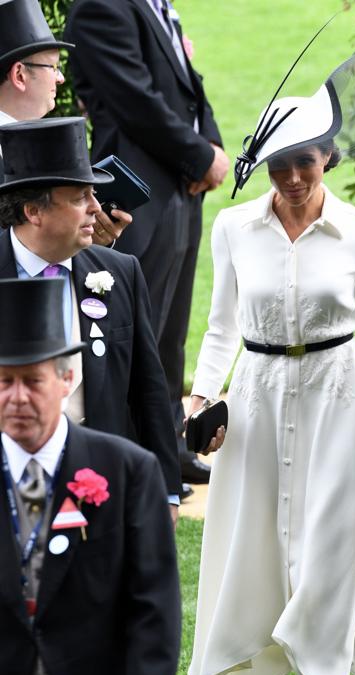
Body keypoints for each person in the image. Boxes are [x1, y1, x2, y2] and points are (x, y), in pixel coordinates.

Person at [187, 57, 355, 675]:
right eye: (279, 165)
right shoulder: (234, 228)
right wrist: (200, 397)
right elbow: (218, 328)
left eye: (305, 162)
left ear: (328, 159)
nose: (292, 178)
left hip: (343, 408)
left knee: (328, 565)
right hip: (260, 401)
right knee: (276, 560)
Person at [0, 276, 181, 675]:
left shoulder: (126, 472)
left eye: (32, 380)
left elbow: (153, 609)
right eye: (2, 381)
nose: (16, 397)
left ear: (67, 380)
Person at [65, 0, 230, 487]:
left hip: (177, 183)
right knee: (136, 332)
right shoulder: (99, 7)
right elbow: (134, 99)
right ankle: (137, 463)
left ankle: (170, 448)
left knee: (171, 329)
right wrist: (200, 156)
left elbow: (185, 84)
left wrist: (210, 149)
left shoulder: (157, 5)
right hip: (133, 191)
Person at [0, 116, 182, 522]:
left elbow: (148, 391)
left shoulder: (120, 272)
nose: (97, 210)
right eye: (81, 197)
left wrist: (167, 492)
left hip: (101, 494)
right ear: (34, 211)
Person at [0, 0, 132, 248]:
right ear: (19, 75)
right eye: (53, 67)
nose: (60, 78)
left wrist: (87, 237)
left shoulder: (46, 142)